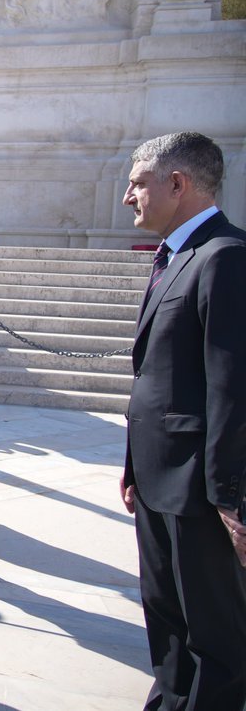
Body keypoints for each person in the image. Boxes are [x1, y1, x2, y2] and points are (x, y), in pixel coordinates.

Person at [118, 131, 246, 710]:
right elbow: (156, 378)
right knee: (166, 621)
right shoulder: (177, 254)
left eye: (138, 183)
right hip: (156, 478)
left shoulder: (226, 257)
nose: (128, 198)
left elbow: (231, 386)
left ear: (178, 183)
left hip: (200, 490)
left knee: (213, 638)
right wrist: (132, 468)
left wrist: (231, 497)